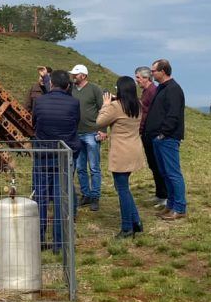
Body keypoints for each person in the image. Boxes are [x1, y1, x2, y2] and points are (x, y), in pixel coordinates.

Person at [31, 69, 81, 253]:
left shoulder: (39, 101)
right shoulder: (74, 103)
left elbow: (34, 123)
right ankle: (59, 243)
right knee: (61, 198)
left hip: (43, 155)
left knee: (41, 198)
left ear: (50, 83)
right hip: (63, 155)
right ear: (68, 85)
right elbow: (75, 123)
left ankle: (39, 238)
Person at [97, 76, 147, 238]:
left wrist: (106, 105)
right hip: (134, 150)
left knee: (122, 189)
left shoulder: (115, 106)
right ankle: (136, 222)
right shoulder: (137, 104)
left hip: (121, 152)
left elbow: (99, 122)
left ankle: (127, 228)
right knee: (123, 188)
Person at [143, 59, 187, 220]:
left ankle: (180, 207)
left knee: (173, 173)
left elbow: (173, 114)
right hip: (158, 138)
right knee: (165, 173)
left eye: (153, 71)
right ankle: (170, 205)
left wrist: (163, 133)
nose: (151, 73)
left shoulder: (173, 89)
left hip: (167, 138)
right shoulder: (162, 88)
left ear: (163, 71)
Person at [69, 64, 105, 211]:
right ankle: (86, 194)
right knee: (80, 167)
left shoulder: (94, 89)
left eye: (76, 74)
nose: (73, 76)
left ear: (83, 75)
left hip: (92, 132)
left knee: (94, 167)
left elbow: (104, 108)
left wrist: (102, 129)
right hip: (76, 133)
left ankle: (95, 196)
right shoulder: (70, 89)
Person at [135, 65, 166, 209]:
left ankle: (164, 196)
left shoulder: (152, 91)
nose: (137, 81)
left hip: (152, 132)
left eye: (138, 78)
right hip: (146, 132)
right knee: (153, 165)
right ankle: (160, 194)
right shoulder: (146, 92)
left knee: (158, 165)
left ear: (146, 78)